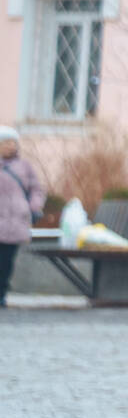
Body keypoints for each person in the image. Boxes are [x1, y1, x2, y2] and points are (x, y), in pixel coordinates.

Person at [0, 130, 42, 307]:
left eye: (13, 142)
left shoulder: (25, 166)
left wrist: (33, 207)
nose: (11, 145)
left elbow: (37, 189)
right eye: (7, 142)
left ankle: (1, 293)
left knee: (7, 261)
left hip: (16, 221)